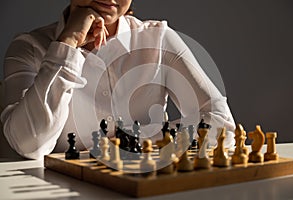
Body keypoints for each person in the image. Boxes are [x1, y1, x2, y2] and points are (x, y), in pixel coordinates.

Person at [1, 0, 236, 160]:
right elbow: (28, 144)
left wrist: (128, 143)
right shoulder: (28, 48)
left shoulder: (159, 39)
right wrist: (67, 44)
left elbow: (220, 121)